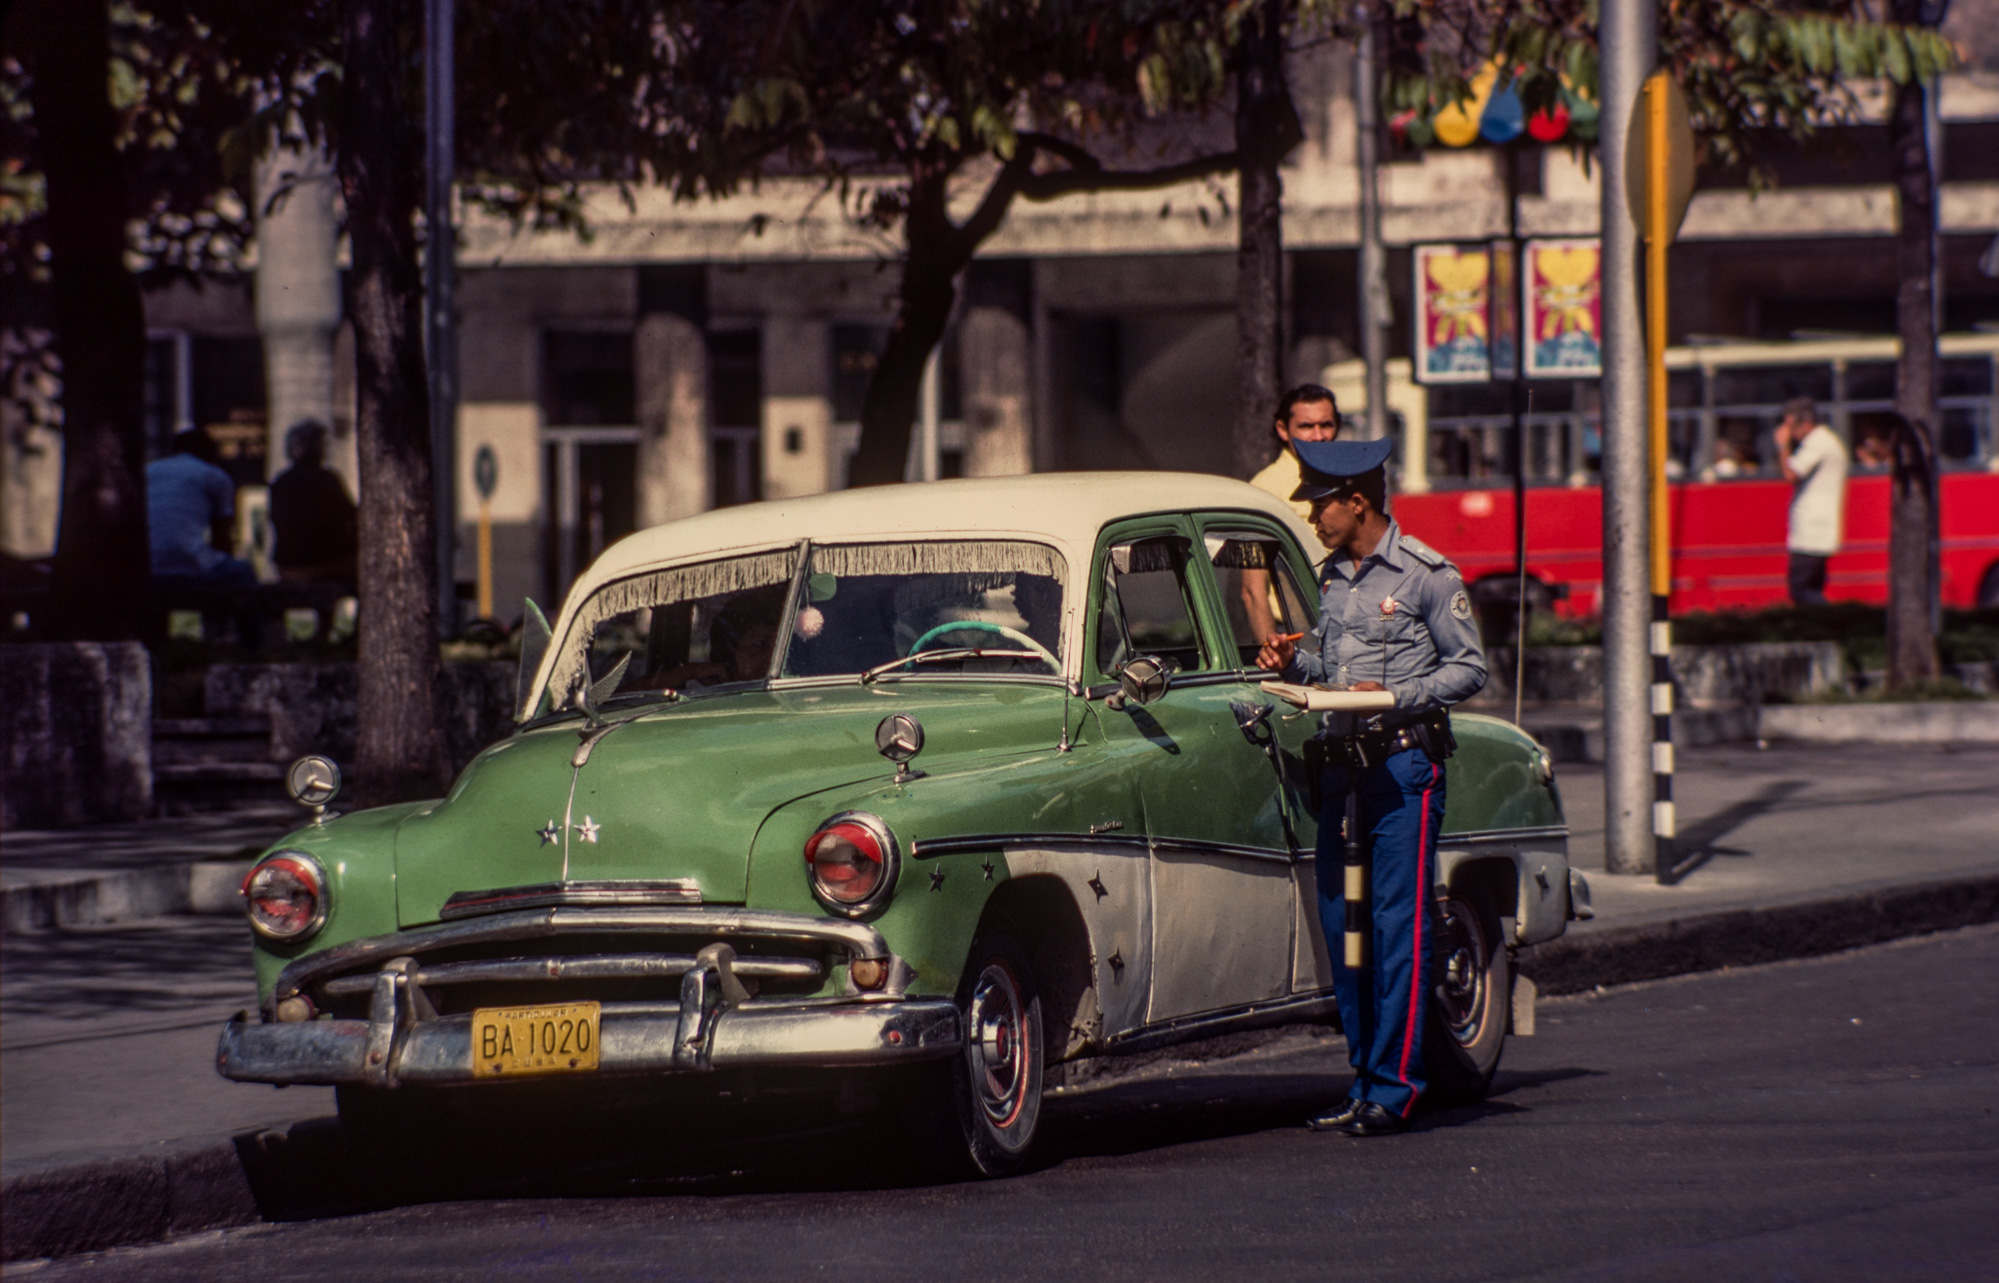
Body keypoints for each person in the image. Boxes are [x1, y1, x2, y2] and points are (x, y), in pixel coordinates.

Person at [1256, 436, 1487, 1137]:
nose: (1312, 517)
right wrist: (1293, 662)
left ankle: (1395, 1085)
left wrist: (1393, 694)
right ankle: (1360, 1079)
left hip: (1401, 768)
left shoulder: (1425, 575)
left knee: (1395, 927)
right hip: (1342, 767)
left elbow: (1469, 668)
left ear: (1356, 502)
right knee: (1343, 928)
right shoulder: (1330, 578)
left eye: (1319, 505)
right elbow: (1330, 666)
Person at [1244, 385, 1344, 639]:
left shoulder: (1346, 477)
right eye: (1306, 427)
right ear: (1282, 429)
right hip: (1297, 631)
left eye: (1326, 425)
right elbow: (1253, 590)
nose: (1318, 436)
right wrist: (1274, 657)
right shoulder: (1265, 488)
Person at [146, 428, 256, 589]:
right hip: (190, 565)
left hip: (148, 566)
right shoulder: (213, 475)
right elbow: (223, 537)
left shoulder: (149, 471)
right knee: (243, 572)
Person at [1773, 396, 1848, 607]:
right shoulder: (1826, 440)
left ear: (1805, 423)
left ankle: (1827, 628)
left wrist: (1782, 445)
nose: (1791, 434)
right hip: (1817, 530)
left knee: (1801, 589)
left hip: (1812, 532)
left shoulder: (1817, 443)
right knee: (1810, 588)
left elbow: (1791, 474)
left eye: (1791, 427)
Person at [268, 419, 358, 585]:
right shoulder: (327, 480)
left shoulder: (279, 482)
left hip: (286, 565)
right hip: (324, 564)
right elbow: (348, 520)